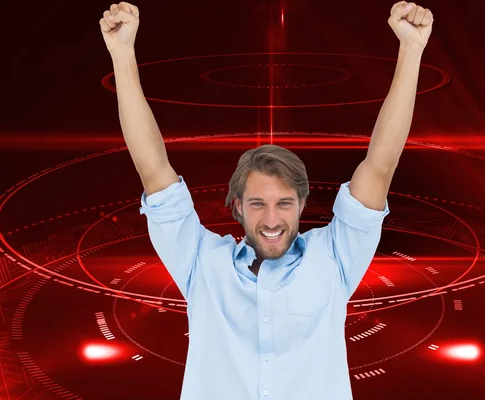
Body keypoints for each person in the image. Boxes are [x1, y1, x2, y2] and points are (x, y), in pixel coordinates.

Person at [99, 1, 433, 399]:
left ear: (303, 204)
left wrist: (412, 49)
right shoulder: (201, 264)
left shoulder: (335, 258)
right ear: (237, 205)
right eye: (258, 203)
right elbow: (151, 167)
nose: (271, 219)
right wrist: (121, 52)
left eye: (284, 203)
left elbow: (380, 165)